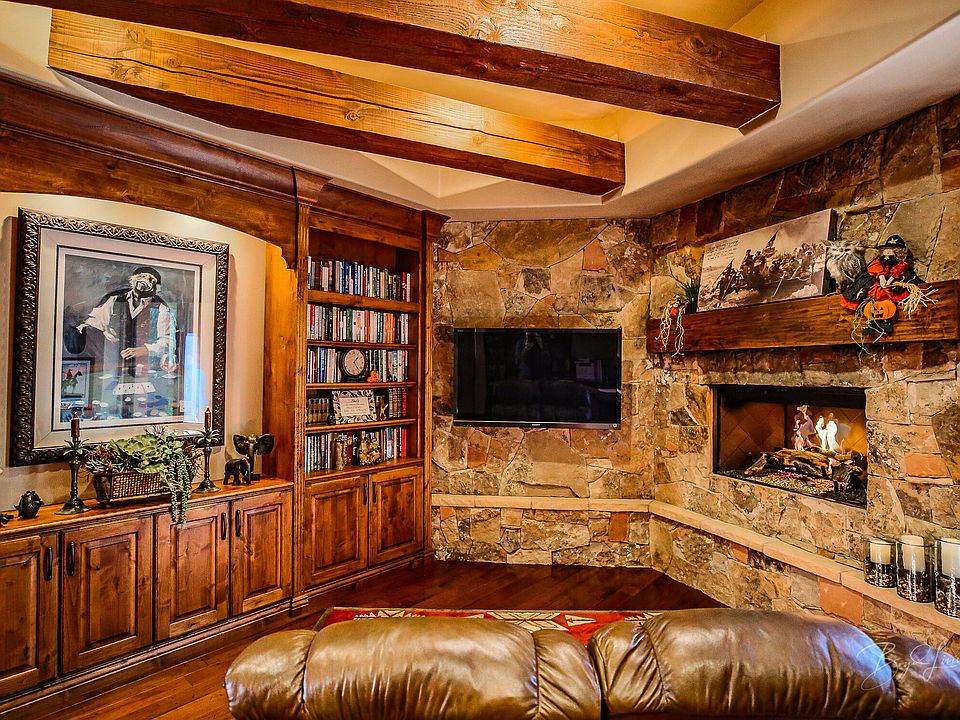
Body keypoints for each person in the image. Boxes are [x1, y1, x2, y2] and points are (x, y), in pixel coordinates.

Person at [74, 266, 178, 382]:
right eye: (142, 276)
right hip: (113, 363)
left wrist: (145, 349)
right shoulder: (114, 300)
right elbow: (96, 321)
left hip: (145, 368)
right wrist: (83, 328)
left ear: (155, 287)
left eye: (151, 280)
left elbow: (168, 341)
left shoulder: (161, 308)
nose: (145, 280)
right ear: (133, 279)